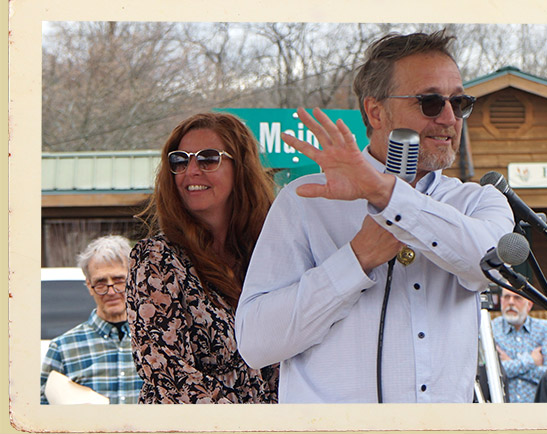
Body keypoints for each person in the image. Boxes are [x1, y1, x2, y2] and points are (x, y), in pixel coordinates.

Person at [235, 30, 515, 403]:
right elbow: (255, 343)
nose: (449, 117)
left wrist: (386, 196)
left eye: (460, 102)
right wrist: (356, 259)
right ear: (375, 111)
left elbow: (488, 264)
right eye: (430, 102)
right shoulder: (306, 200)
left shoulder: (479, 201)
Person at [126, 112, 278, 404]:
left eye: (208, 159)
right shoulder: (156, 259)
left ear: (240, 168)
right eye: (180, 160)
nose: (191, 170)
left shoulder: (268, 254)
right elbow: (166, 371)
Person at [40, 235, 143, 404]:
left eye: (119, 281)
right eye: (101, 282)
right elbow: (41, 416)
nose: (111, 291)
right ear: (89, 286)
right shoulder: (62, 349)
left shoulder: (159, 344)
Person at [491, 288, 547, 402]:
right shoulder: (491, 329)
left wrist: (509, 365)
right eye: (507, 297)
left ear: (529, 305)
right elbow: (491, 374)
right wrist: (531, 361)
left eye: (517, 297)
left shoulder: (545, 330)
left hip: (538, 411)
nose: (511, 302)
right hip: (500, 411)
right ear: (501, 300)